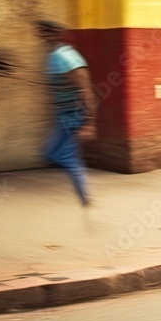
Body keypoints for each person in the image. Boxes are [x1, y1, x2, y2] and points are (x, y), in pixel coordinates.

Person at [36, 20, 97, 206]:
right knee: (50, 153)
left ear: (54, 34)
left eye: (44, 32)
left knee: (65, 155)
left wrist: (89, 122)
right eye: (40, 32)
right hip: (62, 116)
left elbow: (85, 88)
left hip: (73, 115)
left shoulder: (65, 56)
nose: (40, 36)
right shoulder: (53, 55)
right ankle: (83, 192)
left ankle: (83, 195)